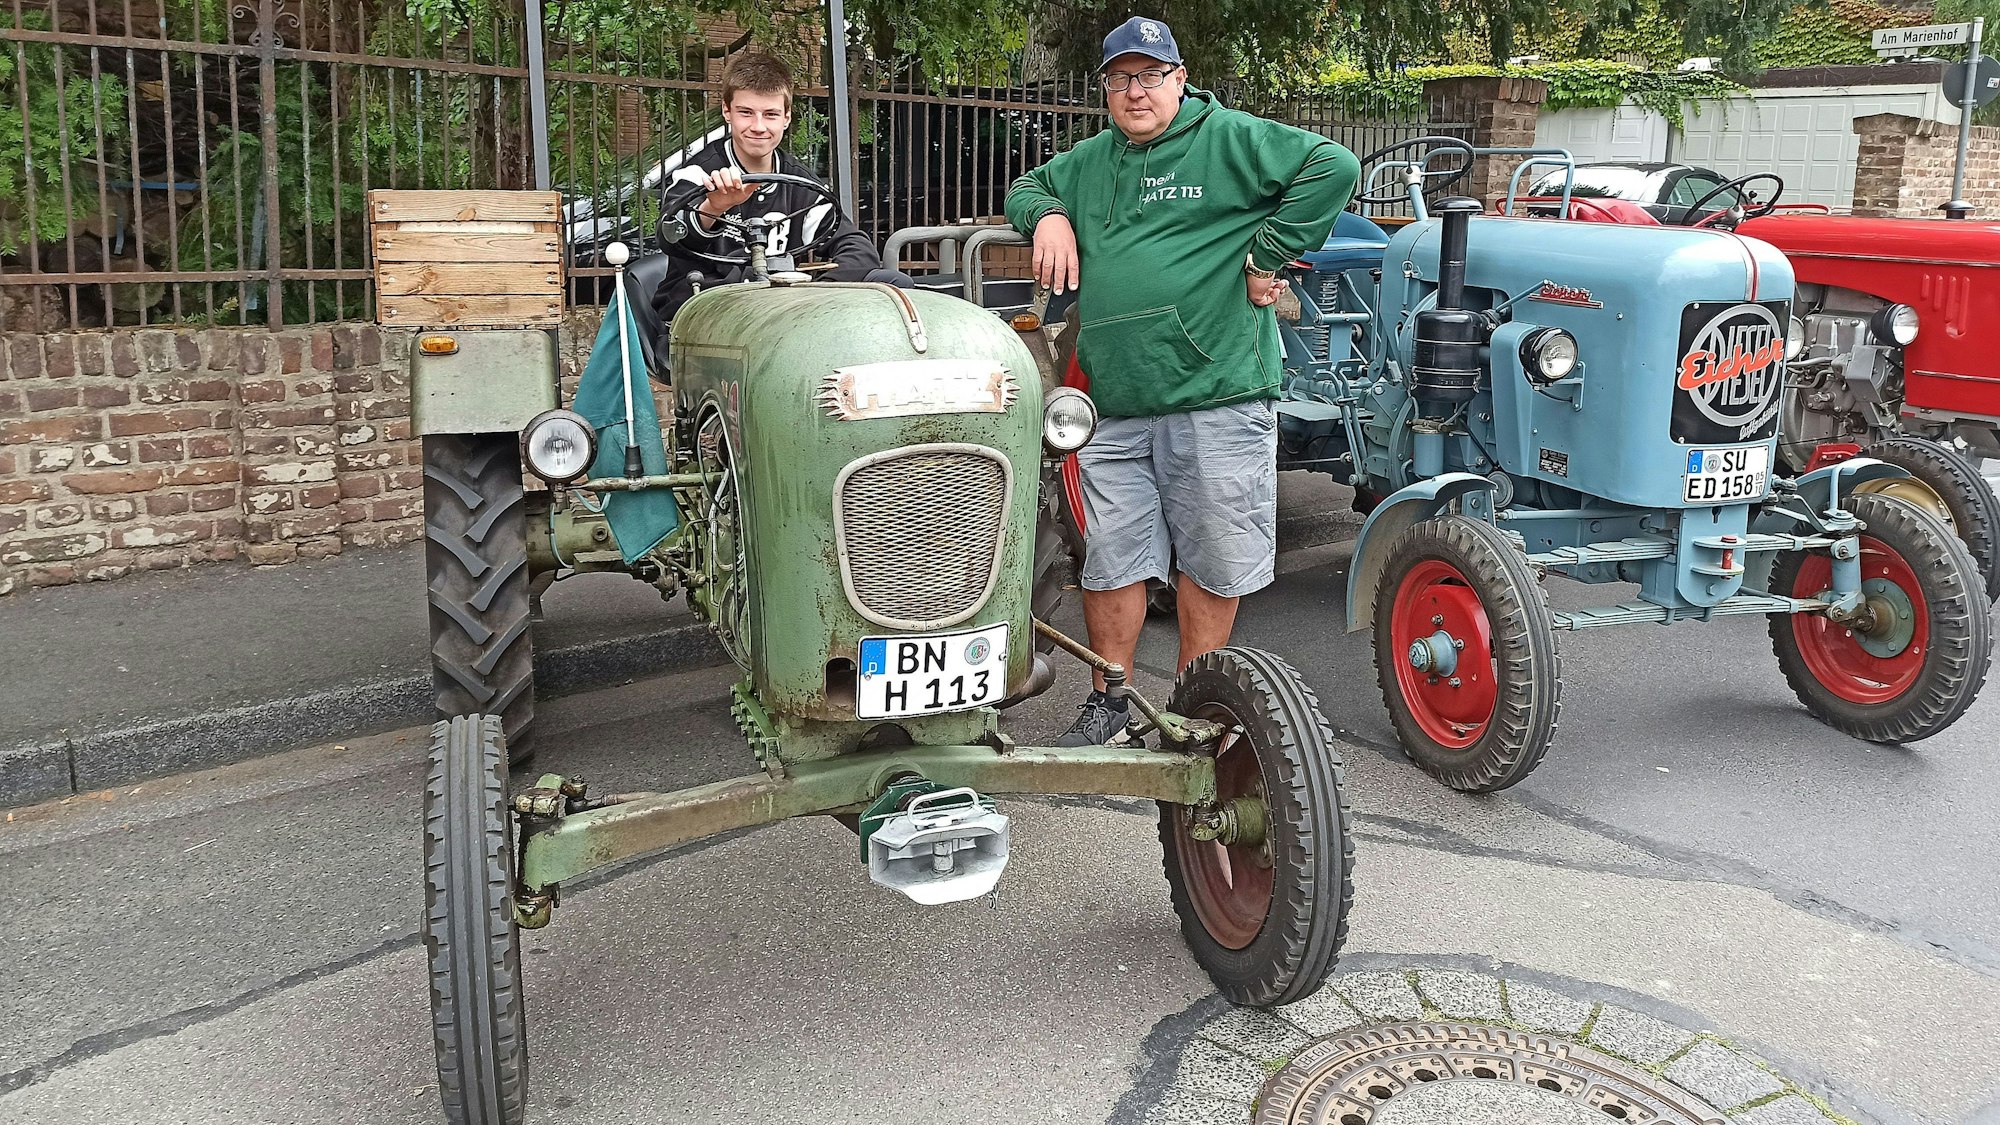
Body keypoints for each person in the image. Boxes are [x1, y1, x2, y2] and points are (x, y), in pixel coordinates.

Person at [1004, 17, 1360, 745]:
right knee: (1110, 560)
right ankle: (1111, 699)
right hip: (1113, 401)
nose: (1134, 92)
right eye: (1119, 79)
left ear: (1179, 79)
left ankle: (1195, 705)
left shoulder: (1228, 139)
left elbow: (1334, 166)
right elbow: (1026, 186)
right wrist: (1048, 217)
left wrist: (1267, 255)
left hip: (1216, 393)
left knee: (1212, 558)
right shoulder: (1091, 160)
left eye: (1149, 76)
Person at [652, 51, 905, 337]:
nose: (758, 127)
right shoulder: (697, 173)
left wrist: (816, 292)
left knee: (893, 283)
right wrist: (714, 207)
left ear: (786, 117)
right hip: (707, 313)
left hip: (781, 313)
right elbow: (670, 237)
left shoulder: (801, 184)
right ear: (727, 111)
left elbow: (856, 248)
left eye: (770, 114)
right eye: (746, 113)